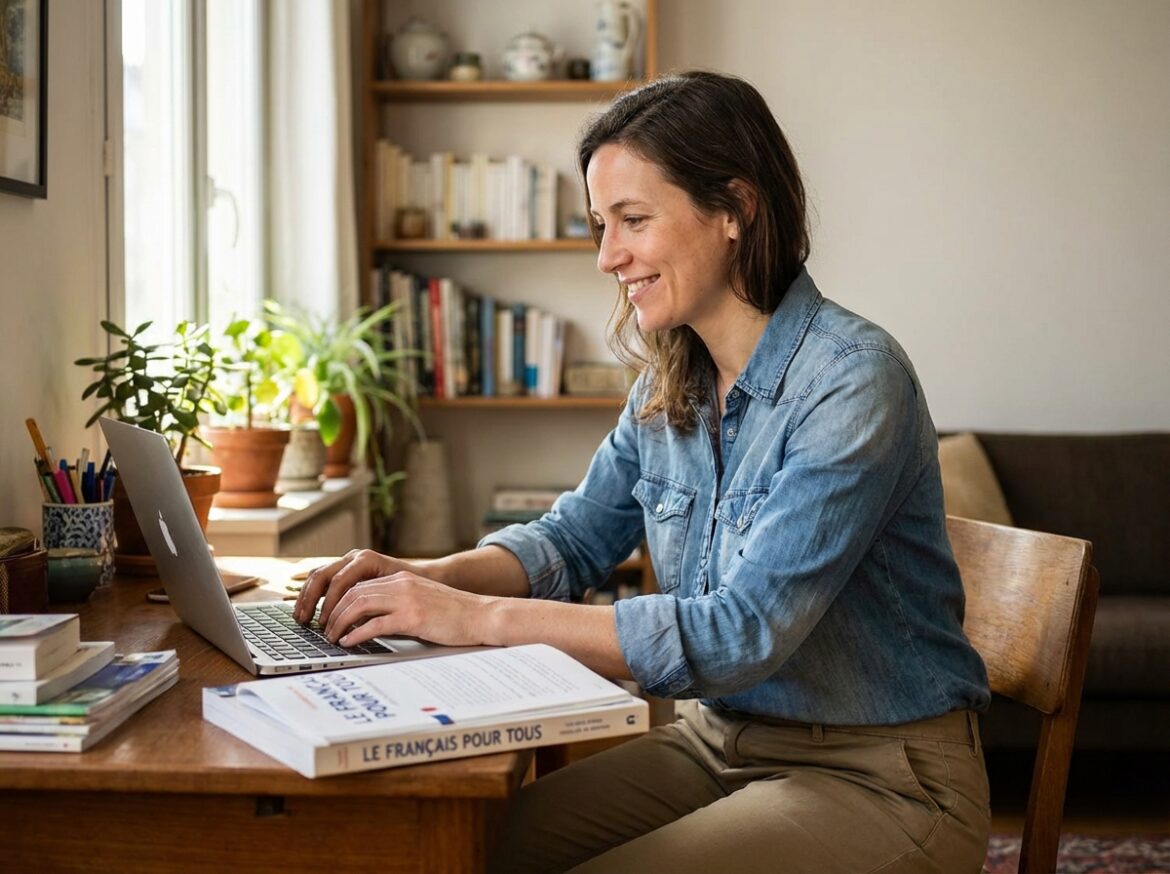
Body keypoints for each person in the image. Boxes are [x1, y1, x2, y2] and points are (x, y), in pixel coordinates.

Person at [294, 70, 992, 873]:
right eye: (600, 224)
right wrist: (423, 579)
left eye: (631, 220)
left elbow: (740, 634)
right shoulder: (671, 379)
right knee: (462, 852)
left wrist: (470, 616)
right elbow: (572, 541)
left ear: (734, 208)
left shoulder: (853, 380)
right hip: (717, 742)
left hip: (886, 780)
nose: (606, 256)